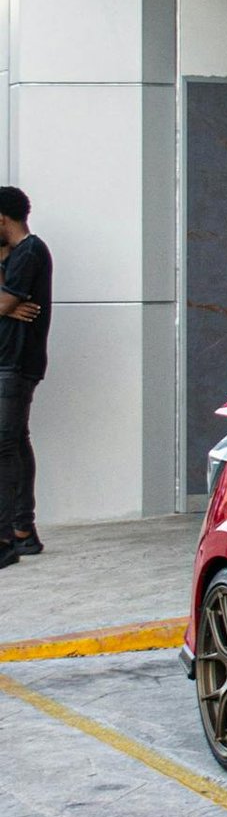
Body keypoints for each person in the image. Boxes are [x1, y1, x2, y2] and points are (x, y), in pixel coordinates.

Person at [0, 188, 50, 567]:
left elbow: (5, 301)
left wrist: (5, 306)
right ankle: (23, 532)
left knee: (5, 446)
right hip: (10, 362)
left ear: (2, 219)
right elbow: (5, 302)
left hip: (16, 364)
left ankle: (8, 536)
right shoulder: (14, 254)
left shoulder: (30, 251)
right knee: (15, 441)